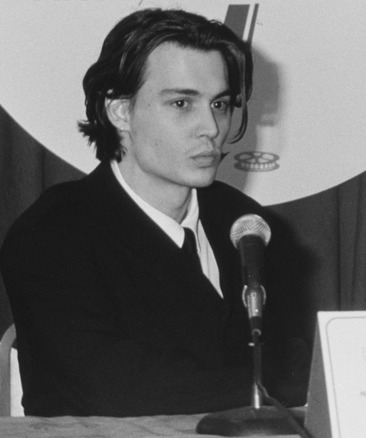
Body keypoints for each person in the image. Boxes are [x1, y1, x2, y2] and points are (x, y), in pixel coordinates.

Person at [0, 8, 308, 416]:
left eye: (220, 104)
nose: (211, 128)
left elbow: (296, 362)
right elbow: (112, 389)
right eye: (182, 103)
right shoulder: (52, 231)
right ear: (120, 111)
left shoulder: (248, 224)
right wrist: (264, 386)